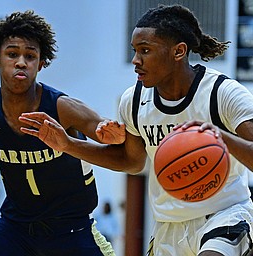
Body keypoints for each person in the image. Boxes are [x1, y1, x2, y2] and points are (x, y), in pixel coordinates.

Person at [19, 4, 253, 256]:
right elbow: (131, 161)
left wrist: (220, 138)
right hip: (168, 224)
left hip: (225, 215)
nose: (135, 60)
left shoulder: (223, 93)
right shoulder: (133, 100)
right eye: (135, 51)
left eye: (145, 50)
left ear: (179, 51)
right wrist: (67, 144)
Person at [0, 10, 117, 256]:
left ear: (40, 63)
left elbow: (117, 146)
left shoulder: (63, 107)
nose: (21, 62)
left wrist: (113, 133)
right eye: (12, 54)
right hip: (14, 230)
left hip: (71, 232)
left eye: (30, 56)